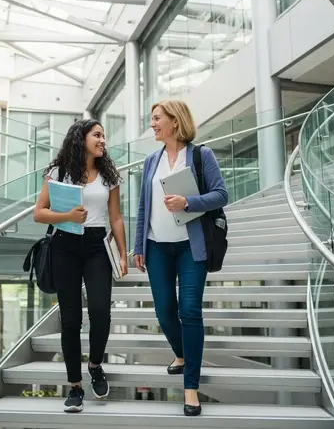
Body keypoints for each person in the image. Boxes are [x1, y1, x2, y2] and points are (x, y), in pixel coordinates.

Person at [133, 100, 228, 417]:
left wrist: (188, 202)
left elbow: (221, 195)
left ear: (175, 121)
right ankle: (183, 353)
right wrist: (138, 246)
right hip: (157, 246)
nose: (153, 124)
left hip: (191, 247)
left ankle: (191, 387)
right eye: (152, 119)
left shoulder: (202, 156)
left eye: (157, 118)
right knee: (164, 312)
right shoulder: (151, 160)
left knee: (189, 310)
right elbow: (143, 207)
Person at [34, 119, 128, 413]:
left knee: (101, 311)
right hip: (65, 246)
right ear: (81, 138)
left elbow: (116, 218)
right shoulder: (58, 172)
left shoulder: (109, 175)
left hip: (98, 247)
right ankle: (75, 385)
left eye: (103, 136)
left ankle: (96, 365)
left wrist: (123, 254)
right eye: (97, 135)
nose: (102, 140)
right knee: (71, 318)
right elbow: (39, 214)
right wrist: (68, 218)